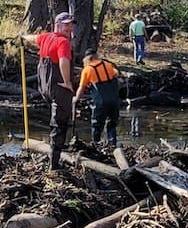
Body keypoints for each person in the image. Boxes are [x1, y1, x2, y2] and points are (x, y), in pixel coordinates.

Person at [22, 12, 76, 170]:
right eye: (66, 24)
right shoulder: (63, 42)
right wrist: (67, 82)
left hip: (45, 87)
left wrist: (23, 37)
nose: (69, 27)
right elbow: (64, 61)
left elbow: (33, 38)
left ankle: (54, 154)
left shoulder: (45, 37)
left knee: (56, 121)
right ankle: (54, 164)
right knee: (59, 124)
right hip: (59, 87)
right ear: (57, 24)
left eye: (71, 24)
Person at [74, 49, 120, 146]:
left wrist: (76, 99)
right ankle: (113, 144)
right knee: (112, 123)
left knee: (97, 125)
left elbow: (81, 88)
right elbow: (116, 73)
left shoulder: (87, 70)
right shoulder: (107, 65)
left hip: (100, 102)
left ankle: (96, 145)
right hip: (114, 100)